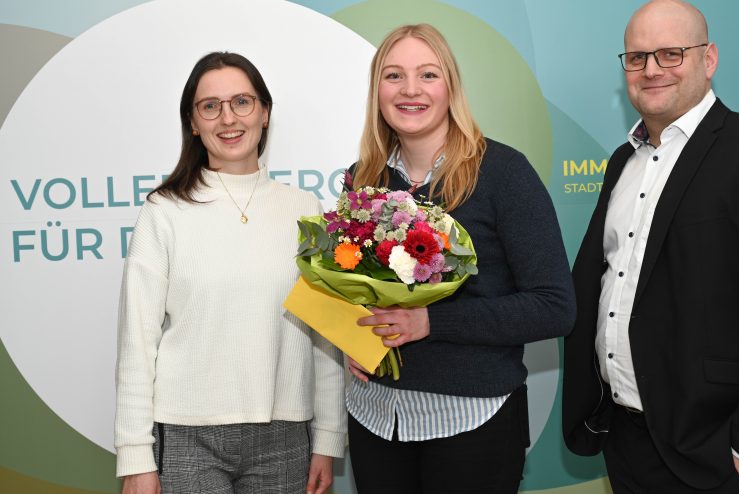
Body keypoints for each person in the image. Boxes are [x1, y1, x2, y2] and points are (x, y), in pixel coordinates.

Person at [562, 0, 739, 494]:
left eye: (671, 53)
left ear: (709, 59)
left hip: (715, 451)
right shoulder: (623, 161)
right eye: (637, 57)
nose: (651, 69)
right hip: (626, 438)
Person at [345, 24, 576, 494]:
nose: (410, 90)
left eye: (427, 75)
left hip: (471, 424)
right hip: (373, 420)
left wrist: (431, 322)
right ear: (377, 91)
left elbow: (554, 306)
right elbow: (353, 286)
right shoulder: (362, 178)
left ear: (451, 86)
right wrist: (351, 335)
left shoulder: (503, 173)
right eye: (393, 76)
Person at [114, 52, 346, 494]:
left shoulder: (304, 209)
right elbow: (136, 344)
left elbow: (325, 335)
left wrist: (329, 437)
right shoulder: (163, 212)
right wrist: (135, 456)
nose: (228, 118)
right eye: (210, 106)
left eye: (242, 101)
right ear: (193, 122)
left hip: (285, 436)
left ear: (264, 112)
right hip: (187, 436)